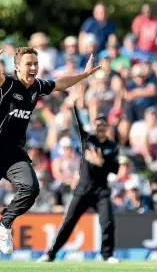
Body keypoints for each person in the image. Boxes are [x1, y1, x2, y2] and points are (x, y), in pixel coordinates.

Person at [0, 42, 100, 272]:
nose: (33, 68)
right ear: (17, 67)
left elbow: (60, 84)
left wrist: (85, 75)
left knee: (31, 189)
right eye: (28, 64)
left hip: (15, 154)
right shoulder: (7, 84)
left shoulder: (37, 86)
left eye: (36, 64)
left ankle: (4, 223)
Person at [37, 91, 120, 263]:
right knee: (68, 223)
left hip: (101, 191)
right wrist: (73, 105)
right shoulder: (87, 140)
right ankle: (50, 254)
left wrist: (101, 162)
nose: (100, 128)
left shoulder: (112, 146)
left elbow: (116, 169)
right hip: (82, 189)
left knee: (108, 223)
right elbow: (77, 124)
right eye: (97, 125)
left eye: (103, 125)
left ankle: (107, 255)